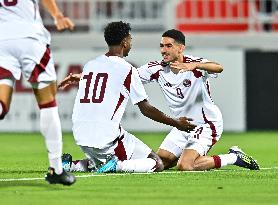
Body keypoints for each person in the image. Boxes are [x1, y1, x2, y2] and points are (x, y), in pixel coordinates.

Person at [59, 29, 260, 172]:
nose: (163, 50)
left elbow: (219, 67)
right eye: (161, 46)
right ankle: (88, 165)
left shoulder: (194, 65)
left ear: (181, 48)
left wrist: (195, 65)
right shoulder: (156, 68)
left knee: (185, 165)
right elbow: (123, 76)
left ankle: (234, 156)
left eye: (168, 46)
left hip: (205, 124)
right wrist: (83, 77)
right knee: (161, 162)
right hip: (182, 126)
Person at [60, 21, 195, 173]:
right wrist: (175, 122)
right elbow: (146, 109)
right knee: (156, 162)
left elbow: (104, 77)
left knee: (99, 160)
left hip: (80, 135)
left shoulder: (91, 65)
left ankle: (71, 165)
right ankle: (117, 166)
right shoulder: (127, 69)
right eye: (130, 39)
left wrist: (80, 77)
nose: (131, 43)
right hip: (106, 138)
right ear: (124, 42)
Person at [0, 0, 76, 185]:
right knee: (47, 101)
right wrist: (57, 15)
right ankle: (56, 169)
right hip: (29, 37)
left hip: (1, 38)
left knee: (2, 104)